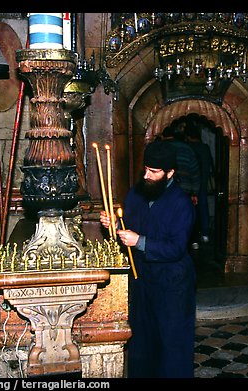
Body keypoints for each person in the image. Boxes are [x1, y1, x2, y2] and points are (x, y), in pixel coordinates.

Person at [100, 140, 197, 378]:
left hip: (172, 285)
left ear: (170, 172)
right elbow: (129, 228)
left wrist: (140, 241)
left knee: (171, 345)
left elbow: (176, 248)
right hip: (141, 280)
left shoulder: (182, 203)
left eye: (154, 172)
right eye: (146, 169)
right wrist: (115, 226)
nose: (147, 175)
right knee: (142, 343)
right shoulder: (136, 193)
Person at [161, 120, 201, 249]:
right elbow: (194, 172)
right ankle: (190, 242)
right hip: (185, 190)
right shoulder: (186, 148)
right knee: (185, 219)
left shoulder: (160, 148)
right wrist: (195, 192)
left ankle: (166, 245)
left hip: (164, 191)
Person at [185, 120, 214, 246]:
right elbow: (210, 165)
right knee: (203, 207)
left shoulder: (188, 148)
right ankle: (205, 233)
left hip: (191, 182)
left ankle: (193, 237)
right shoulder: (205, 147)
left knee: (190, 210)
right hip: (203, 180)